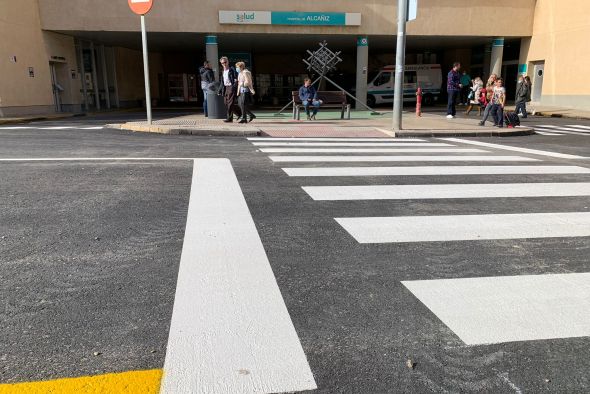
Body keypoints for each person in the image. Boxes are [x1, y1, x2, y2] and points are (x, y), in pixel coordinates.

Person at [217, 56, 241, 123]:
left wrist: (234, 86)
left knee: (230, 104)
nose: (224, 64)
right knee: (226, 103)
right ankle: (239, 113)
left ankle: (229, 119)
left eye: (225, 62)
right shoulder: (223, 71)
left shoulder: (232, 69)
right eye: (222, 63)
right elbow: (222, 82)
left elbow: (236, 78)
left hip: (231, 87)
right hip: (225, 88)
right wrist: (219, 90)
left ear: (228, 62)